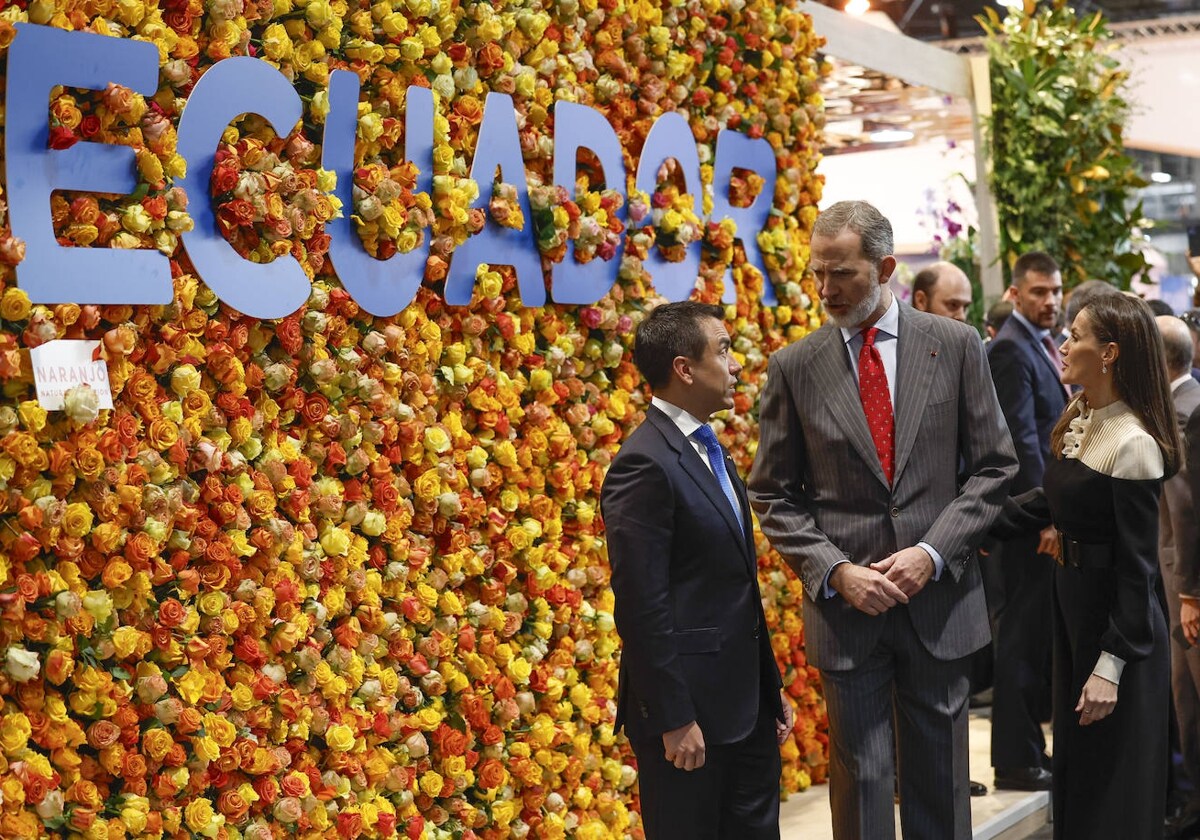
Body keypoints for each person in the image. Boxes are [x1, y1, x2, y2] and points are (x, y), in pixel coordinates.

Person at [749, 200, 1018, 839]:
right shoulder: (796, 366)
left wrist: (931, 553)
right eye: (818, 273)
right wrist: (836, 572)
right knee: (863, 785)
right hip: (850, 611)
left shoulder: (954, 346)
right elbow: (773, 494)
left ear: (887, 267)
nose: (825, 289)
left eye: (842, 273)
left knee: (940, 784)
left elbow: (994, 468)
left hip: (939, 603)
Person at [601, 301, 794, 840]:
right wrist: (672, 717)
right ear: (685, 369)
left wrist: (767, 684)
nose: (736, 366)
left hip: (745, 709)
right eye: (724, 351)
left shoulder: (710, 450)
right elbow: (641, 604)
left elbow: (735, 586)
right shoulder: (644, 462)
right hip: (688, 722)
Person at [997, 294, 1177, 839]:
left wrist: (1111, 664)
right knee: (1080, 773)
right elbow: (1050, 503)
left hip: (1114, 631)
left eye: (1076, 336)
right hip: (1073, 608)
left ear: (1111, 353)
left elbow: (1136, 569)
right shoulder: (1082, 416)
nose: (1064, 344)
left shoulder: (1133, 442)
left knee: (1113, 786)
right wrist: (959, 527)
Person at [985, 251, 1069, 791]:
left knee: (1034, 638)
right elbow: (1019, 442)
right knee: (1019, 638)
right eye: (1039, 292)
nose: (1051, 301)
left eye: (1056, 291)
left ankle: (1029, 751)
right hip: (1025, 522)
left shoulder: (1036, 345)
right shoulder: (1010, 349)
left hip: (1039, 515)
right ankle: (1015, 760)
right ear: (1015, 294)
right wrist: (1043, 515)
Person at [1155, 315, 1200, 840]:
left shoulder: (1182, 413)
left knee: (1190, 698)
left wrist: (1189, 590)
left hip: (1184, 581)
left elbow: (1185, 510)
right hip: (1178, 577)